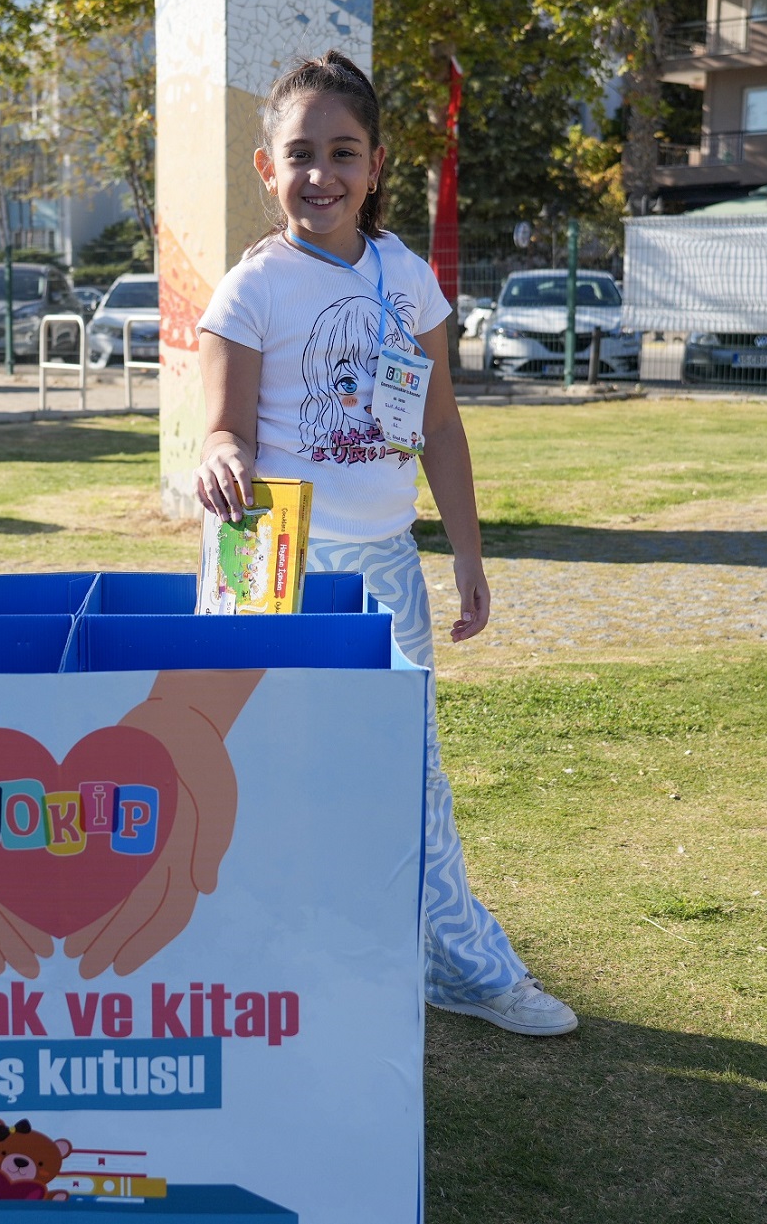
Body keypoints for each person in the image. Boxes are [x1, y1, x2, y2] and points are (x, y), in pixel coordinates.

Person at [192, 51, 577, 1037]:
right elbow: (223, 426)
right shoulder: (249, 289)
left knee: (406, 773)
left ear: (372, 164)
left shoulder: (408, 279)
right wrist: (220, 459)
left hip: (383, 569)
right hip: (267, 560)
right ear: (263, 168)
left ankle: (462, 967)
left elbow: (440, 427)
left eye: (342, 152)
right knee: (257, 767)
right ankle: (248, 974)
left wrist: (468, 557)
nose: (320, 173)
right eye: (299, 154)